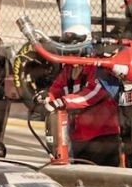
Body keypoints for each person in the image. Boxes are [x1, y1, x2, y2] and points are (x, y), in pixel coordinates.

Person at [40, 34, 122, 166]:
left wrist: (62, 102)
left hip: (101, 135)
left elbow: (92, 94)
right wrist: (47, 97)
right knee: (81, 172)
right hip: (78, 136)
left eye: (74, 52)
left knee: (101, 174)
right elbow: (56, 88)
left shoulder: (97, 66)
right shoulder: (68, 70)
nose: (70, 57)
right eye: (67, 53)